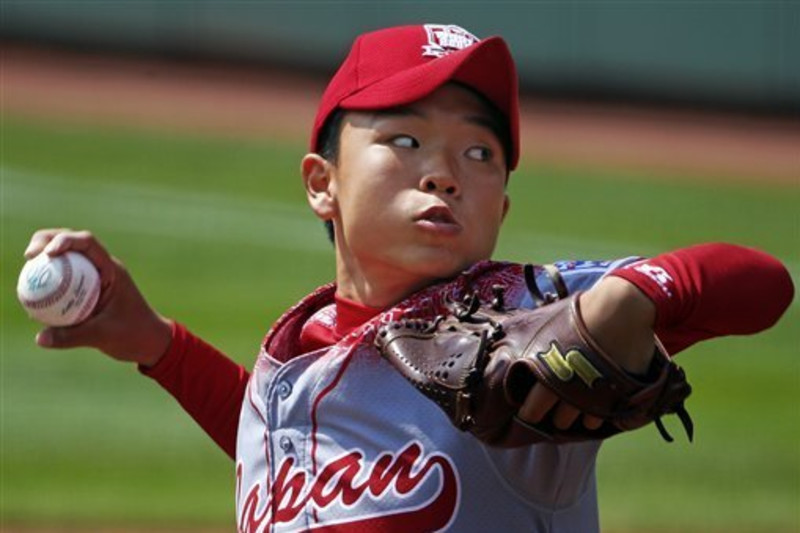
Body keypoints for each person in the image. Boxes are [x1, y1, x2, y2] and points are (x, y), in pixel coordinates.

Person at [24, 24, 793, 532]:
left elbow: (762, 280)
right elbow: (293, 453)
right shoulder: (302, 344)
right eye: (404, 137)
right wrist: (156, 344)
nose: (446, 174)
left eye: (479, 153)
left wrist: (634, 296)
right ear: (321, 182)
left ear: (503, 203)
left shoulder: (528, 310)